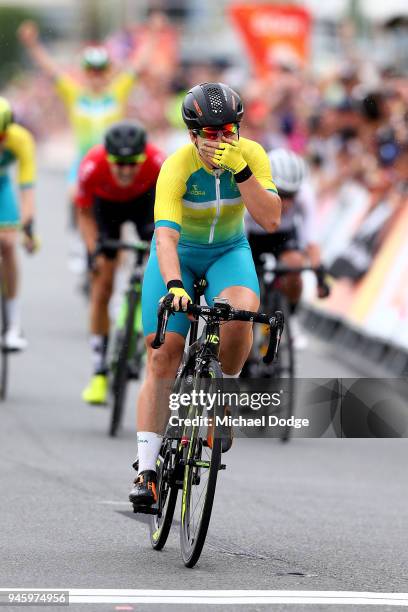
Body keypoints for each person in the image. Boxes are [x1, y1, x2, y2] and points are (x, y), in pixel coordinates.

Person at [129, 82, 281, 508]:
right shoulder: (176, 166)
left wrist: (243, 172)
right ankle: (147, 470)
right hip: (178, 255)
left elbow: (269, 219)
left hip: (228, 253)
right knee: (163, 353)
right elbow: (164, 238)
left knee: (238, 317)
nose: (219, 141)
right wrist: (175, 285)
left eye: (228, 130)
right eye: (209, 134)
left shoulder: (250, 155)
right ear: (192, 135)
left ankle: (222, 401)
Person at [75, 121, 165, 404]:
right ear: (108, 158)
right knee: (102, 283)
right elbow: (85, 213)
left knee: (158, 264)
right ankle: (99, 369)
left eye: (132, 164)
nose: (126, 170)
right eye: (120, 164)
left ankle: (142, 322)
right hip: (106, 209)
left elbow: (171, 213)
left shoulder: (157, 162)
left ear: (142, 157)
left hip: (145, 205)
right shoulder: (92, 165)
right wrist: (94, 251)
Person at [18, 21, 152, 200]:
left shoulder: (117, 92)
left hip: (112, 161)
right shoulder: (74, 94)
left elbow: (138, 65)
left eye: (101, 70)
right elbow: (51, 70)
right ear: (84, 72)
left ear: (108, 71)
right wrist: (32, 44)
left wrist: (154, 34)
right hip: (83, 160)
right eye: (91, 70)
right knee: (73, 195)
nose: (96, 75)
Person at [246, 148, 320, 350]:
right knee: (246, 282)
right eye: (281, 194)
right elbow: (236, 238)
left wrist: (319, 274)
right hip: (252, 236)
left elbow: (311, 240)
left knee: (295, 265)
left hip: (283, 236)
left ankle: (292, 318)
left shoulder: (305, 194)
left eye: (292, 196)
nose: (286, 203)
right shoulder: (250, 189)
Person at [0, 97, 37, 350]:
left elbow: (27, 190)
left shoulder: (20, 139)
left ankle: (13, 324)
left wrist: (27, 229)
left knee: (8, 243)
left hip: (2, 185)